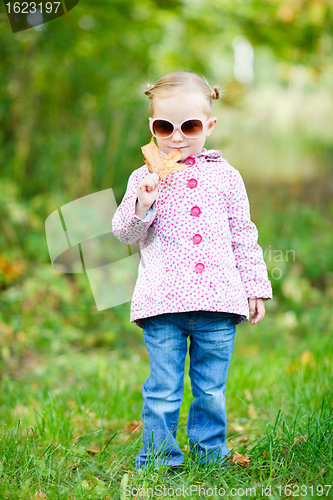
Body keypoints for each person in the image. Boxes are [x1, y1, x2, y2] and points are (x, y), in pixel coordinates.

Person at [112, 71, 273, 471]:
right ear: (152, 126)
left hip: (218, 303)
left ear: (210, 126)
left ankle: (209, 452)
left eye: (191, 126)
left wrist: (255, 287)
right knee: (163, 389)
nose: (177, 137)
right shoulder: (142, 179)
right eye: (165, 126)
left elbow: (243, 235)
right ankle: (158, 457)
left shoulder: (227, 177)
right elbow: (123, 233)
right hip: (162, 304)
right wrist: (143, 204)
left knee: (210, 390)